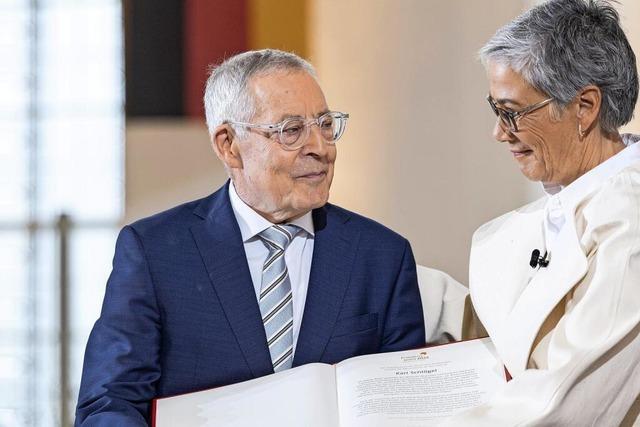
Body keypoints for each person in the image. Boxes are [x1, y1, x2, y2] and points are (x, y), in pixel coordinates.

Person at [74, 49, 425, 425]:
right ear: (229, 144)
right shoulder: (155, 252)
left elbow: (408, 404)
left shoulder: (382, 256)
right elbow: (109, 403)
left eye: (325, 124)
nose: (321, 148)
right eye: (291, 130)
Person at [447, 0, 640, 425]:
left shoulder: (630, 222)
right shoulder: (566, 202)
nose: (499, 133)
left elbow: (569, 404)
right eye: (495, 110)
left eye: (512, 112)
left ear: (584, 107)